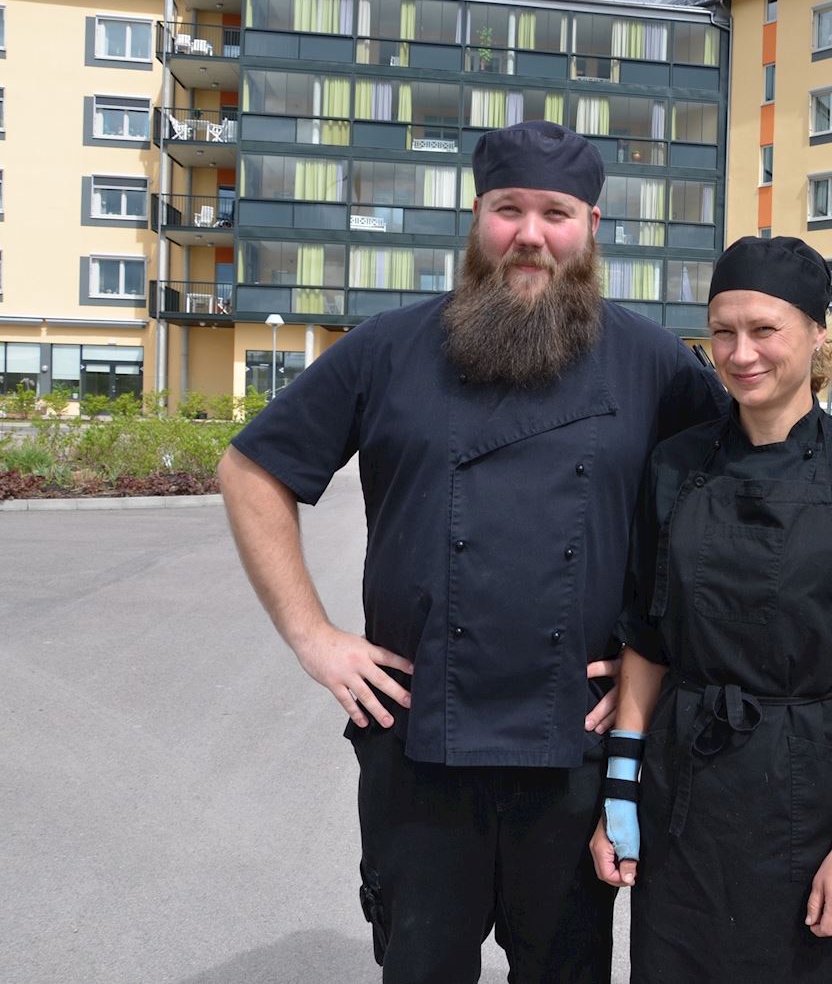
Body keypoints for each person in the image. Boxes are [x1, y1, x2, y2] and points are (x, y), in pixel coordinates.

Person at [217, 120, 725, 983]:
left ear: (592, 227)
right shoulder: (388, 348)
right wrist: (313, 635)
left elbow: (722, 522)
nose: (530, 234)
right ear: (476, 217)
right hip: (417, 744)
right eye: (508, 209)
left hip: (573, 750)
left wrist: (655, 671)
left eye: (555, 213)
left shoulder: (655, 365)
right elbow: (250, 468)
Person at [587, 236, 832, 982]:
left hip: (810, 791)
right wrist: (619, 796)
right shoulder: (674, 464)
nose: (740, 353)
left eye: (764, 330)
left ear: (815, 332)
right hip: (685, 793)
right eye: (723, 331)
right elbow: (647, 637)